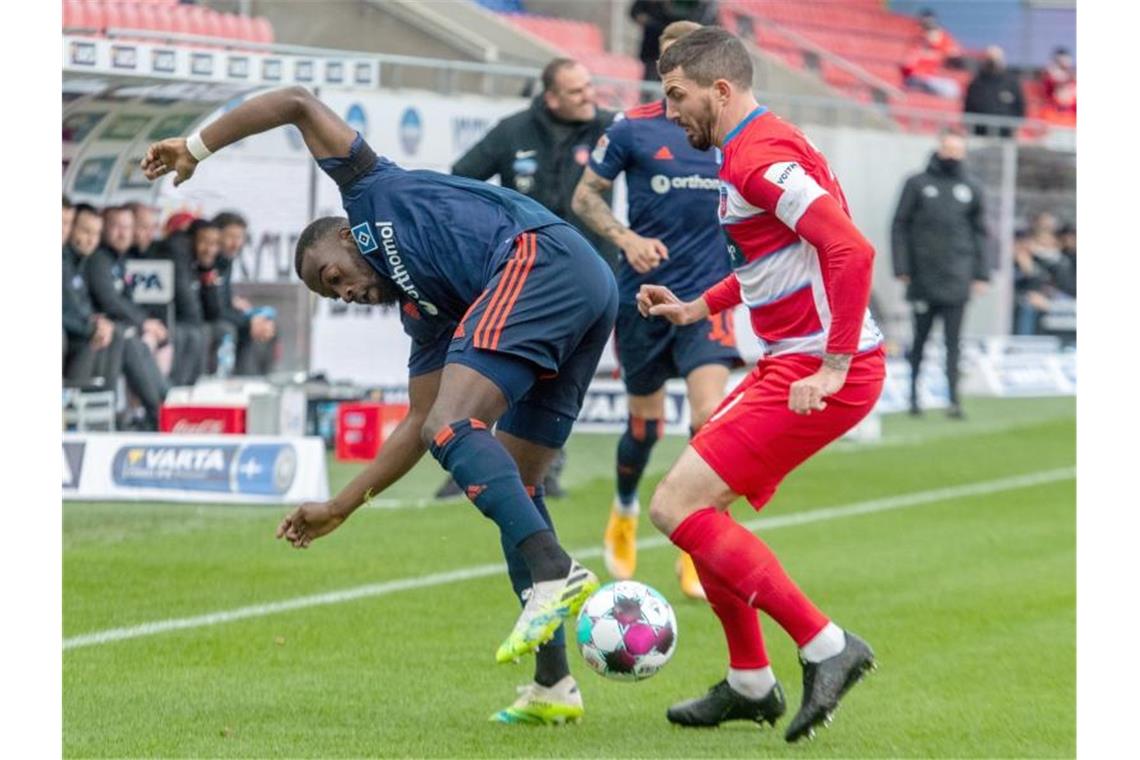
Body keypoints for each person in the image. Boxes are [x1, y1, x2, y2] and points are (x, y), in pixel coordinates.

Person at [141, 84, 618, 725]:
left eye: (334, 276)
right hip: (585, 288)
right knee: (518, 482)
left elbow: (296, 102)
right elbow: (418, 425)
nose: (344, 292)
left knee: (460, 427)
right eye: (330, 295)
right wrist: (341, 506)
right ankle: (553, 684)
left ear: (344, 235)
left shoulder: (369, 192)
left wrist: (196, 147)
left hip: (540, 259)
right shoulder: (424, 313)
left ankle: (554, 570)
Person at [638, 27, 885, 742]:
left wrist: (832, 364)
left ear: (720, 89)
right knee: (698, 509)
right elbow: (775, 260)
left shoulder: (757, 159)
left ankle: (827, 646)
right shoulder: (759, 145)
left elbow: (850, 248)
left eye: (677, 97)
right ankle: (750, 680)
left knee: (675, 507)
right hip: (796, 359)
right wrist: (698, 306)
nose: (670, 112)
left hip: (818, 367)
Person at [572, 19, 739, 602]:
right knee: (645, 427)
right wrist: (625, 239)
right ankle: (623, 509)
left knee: (708, 420)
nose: (674, 74)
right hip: (644, 299)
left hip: (707, 297)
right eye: (668, 63)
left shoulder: (728, 135)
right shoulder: (632, 131)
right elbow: (585, 195)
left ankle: (699, 538)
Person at [448, 57, 618, 499]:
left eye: (589, 86)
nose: (589, 96)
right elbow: (459, 183)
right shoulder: (512, 132)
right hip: (523, 275)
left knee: (561, 378)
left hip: (590, 279)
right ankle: (470, 459)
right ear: (552, 97)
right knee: (501, 370)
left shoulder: (611, 130)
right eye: (577, 90)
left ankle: (544, 466)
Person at [891, 128, 988, 418]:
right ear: (939, 148)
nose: (953, 154)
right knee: (919, 340)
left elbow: (981, 233)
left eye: (958, 150)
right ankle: (912, 398)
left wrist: (981, 273)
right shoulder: (917, 183)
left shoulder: (971, 187)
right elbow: (899, 226)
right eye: (949, 148)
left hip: (957, 276)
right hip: (922, 276)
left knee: (953, 342)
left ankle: (954, 401)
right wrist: (902, 266)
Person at [83, 205, 170, 428]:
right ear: (104, 228)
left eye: (128, 228)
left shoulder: (118, 260)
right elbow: (109, 301)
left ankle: (164, 404)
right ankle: (157, 413)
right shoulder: (98, 259)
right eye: (117, 227)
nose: (123, 233)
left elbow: (128, 301)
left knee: (140, 340)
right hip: (95, 330)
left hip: (114, 328)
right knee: (130, 339)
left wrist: (146, 323)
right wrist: (142, 323)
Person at [127, 202, 208, 386]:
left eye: (152, 228)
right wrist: (143, 321)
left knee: (188, 334)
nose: (149, 233)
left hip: (153, 321)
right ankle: (162, 398)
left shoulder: (153, 253)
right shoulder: (110, 259)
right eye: (144, 227)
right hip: (135, 325)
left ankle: (176, 395)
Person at [63, 203, 122, 390]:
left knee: (114, 332)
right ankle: (74, 406)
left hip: (78, 327)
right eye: (86, 232)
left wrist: (96, 321)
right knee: (92, 338)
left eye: (96, 234)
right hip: (71, 331)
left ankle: (104, 404)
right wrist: (91, 326)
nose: (91, 240)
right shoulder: (65, 259)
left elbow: (80, 303)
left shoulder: (80, 261)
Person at [214, 212, 278, 376]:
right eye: (231, 237)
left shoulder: (226, 261)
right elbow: (215, 309)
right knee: (243, 327)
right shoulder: (209, 261)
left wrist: (245, 312)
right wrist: (248, 322)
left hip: (223, 313)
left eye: (240, 237)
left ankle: (260, 379)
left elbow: (225, 301)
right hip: (212, 318)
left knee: (268, 325)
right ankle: (243, 378)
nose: (236, 243)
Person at [899, 9, 964, 99]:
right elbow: (906, 65)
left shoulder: (944, 39)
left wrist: (937, 45)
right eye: (925, 25)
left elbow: (955, 56)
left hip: (933, 81)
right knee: (950, 88)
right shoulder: (916, 41)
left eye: (930, 25)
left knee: (953, 88)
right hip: (916, 79)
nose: (927, 29)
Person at [963, 46, 1025, 138]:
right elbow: (968, 108)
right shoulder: (977, 83)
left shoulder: (1011, 83)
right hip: (980, 135)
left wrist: (1014, 128)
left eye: (996, 59)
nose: (993, 62)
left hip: (1005, 136)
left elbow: (1020, 107)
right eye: (990, 59)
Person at [1041, 47, 1076, 115]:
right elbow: (1057, 78)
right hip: (1055, 110)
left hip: (1069, 111)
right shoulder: (1052, 74)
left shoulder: (1070, 76)